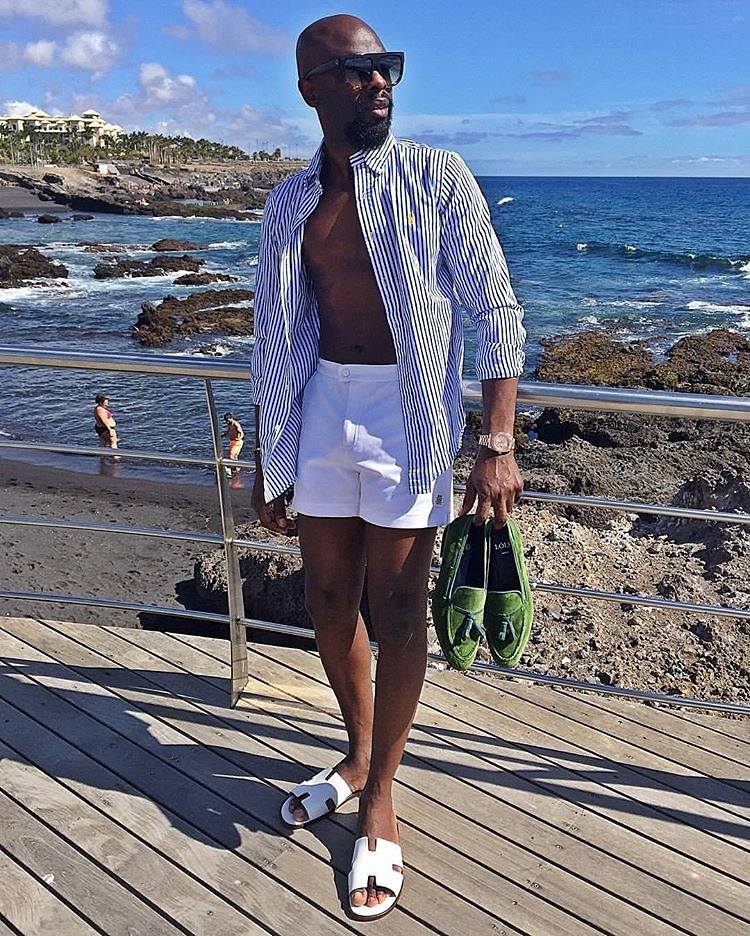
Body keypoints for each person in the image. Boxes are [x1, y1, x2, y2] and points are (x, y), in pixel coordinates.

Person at [251, 13, 525, 919]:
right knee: (329, 602)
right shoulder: (289, 203)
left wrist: (496, 442)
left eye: (387, 67)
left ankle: (381, 797)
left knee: (400, 611)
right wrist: (270, 456)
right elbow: (273, 335)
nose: (379, 82)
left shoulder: (436, 177)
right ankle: (358, 754)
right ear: (310, 88)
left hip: (407, 414)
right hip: (319, 407)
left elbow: (495, 307)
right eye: (355, 69)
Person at [93, 393, 119, 460]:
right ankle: (116, 459)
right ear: (101, 402)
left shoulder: (97, 408)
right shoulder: (100, 410)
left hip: (102, 428)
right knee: (113, 443)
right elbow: (104, 420)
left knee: (103, 444)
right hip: (106, 429)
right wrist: (110, 430)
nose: (107, 404)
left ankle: (102, 460)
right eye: (105, 403)